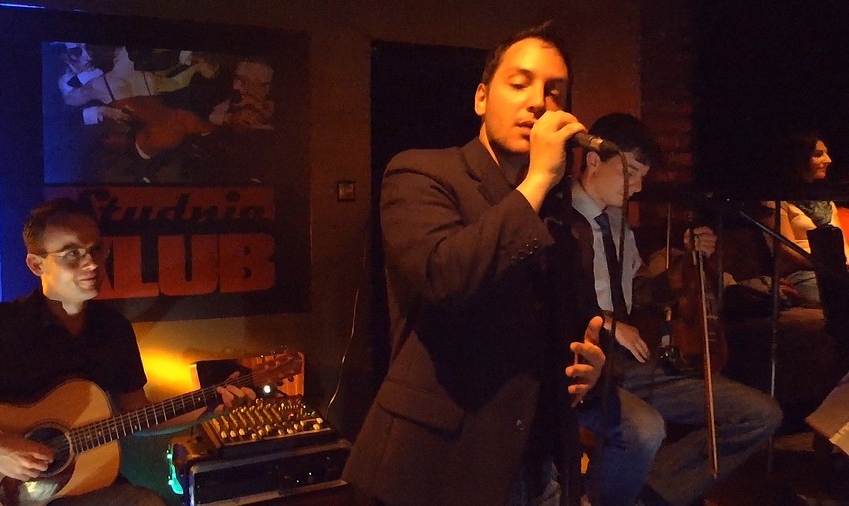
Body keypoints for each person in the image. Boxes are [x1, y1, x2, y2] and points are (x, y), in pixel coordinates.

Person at [343, 22, 607, 506]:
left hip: (537, 465)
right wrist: (536, 181)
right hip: (438, 466)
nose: (537, 102)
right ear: (482, 98)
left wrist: (595, 373)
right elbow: (446, 277)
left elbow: (578, 327)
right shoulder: (421, 173)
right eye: (520, 83)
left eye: (554, 92)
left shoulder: (564, 218)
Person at [0, 198, 254, 505]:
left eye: (96, 249)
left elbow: (137, 416)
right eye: (72, 253)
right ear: (37, 265)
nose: (92, 263)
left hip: (77, 488)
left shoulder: (113, 329)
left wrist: (210, 407)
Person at [572, 113, 783, 506]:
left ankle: (646, 490)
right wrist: (607, 323)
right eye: (630, 173)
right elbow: (551, 303)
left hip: (633, 365)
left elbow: (639, 292)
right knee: (644, 429)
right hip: (587, 368)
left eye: (642, 177)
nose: (637, 188)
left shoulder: (616, 220)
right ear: (594, 160)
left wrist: (686, 260)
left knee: (760, 414)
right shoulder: (558, 217)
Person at [762, 133, 849, 306]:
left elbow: (841, 244)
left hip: (836, 270)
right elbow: (784, 248)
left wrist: (843, 265)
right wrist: (823, 265)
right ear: (798, 159)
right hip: (801, 274)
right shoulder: (777, 200)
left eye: (826, 153)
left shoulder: (825, 202)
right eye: (818, 154)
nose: (828, 160)